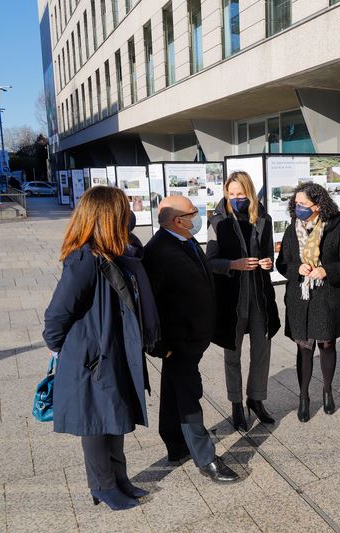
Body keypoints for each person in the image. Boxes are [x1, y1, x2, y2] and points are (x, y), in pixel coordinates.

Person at [43, 186, 161, 510]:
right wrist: (65, 350)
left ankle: (120, 479)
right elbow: (56, 315)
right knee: (97, 425)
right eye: (122, 210)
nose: (128, 216)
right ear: (107, 217)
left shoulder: (115, 253)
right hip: (92, 358)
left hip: (113, 350)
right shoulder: (85, 258)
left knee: (116, 418)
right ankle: (102, 486)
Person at [142, 196, 239, 483]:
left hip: (195, 336)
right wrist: (160, 347)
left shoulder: (186, 239)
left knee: (174, 389)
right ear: (178, 220)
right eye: (193, 213)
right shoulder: (157, 251)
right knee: (189, 396)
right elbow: (149, 305)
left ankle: (176, 444)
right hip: (177, 341)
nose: (198, 216)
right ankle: (206, 459)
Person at [276, 182, 340, 422]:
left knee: (326, 345)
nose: (298, 208)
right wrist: (297, 268)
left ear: (318, 205)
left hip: (327, 297)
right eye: (296, 203)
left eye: (303, 204)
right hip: (300, 299)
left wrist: (327, 271)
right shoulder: (292, 229)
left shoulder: (338, 228)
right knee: (304, 348)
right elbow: (282, 264)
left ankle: (327, 391)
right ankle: (303, 397)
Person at [206, 171, 280, 431]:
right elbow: (210, 261)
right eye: (231, 194)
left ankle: (255, 399)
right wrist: (233, 264)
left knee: (262, 349)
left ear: (250, 193)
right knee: (232, 353)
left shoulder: (264, 219)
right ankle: (236, 404)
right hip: (232, 298)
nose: (236, 198)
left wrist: (268, 263)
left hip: (259, 295)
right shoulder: (217, 221)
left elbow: (269, 256)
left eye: (241, 193)